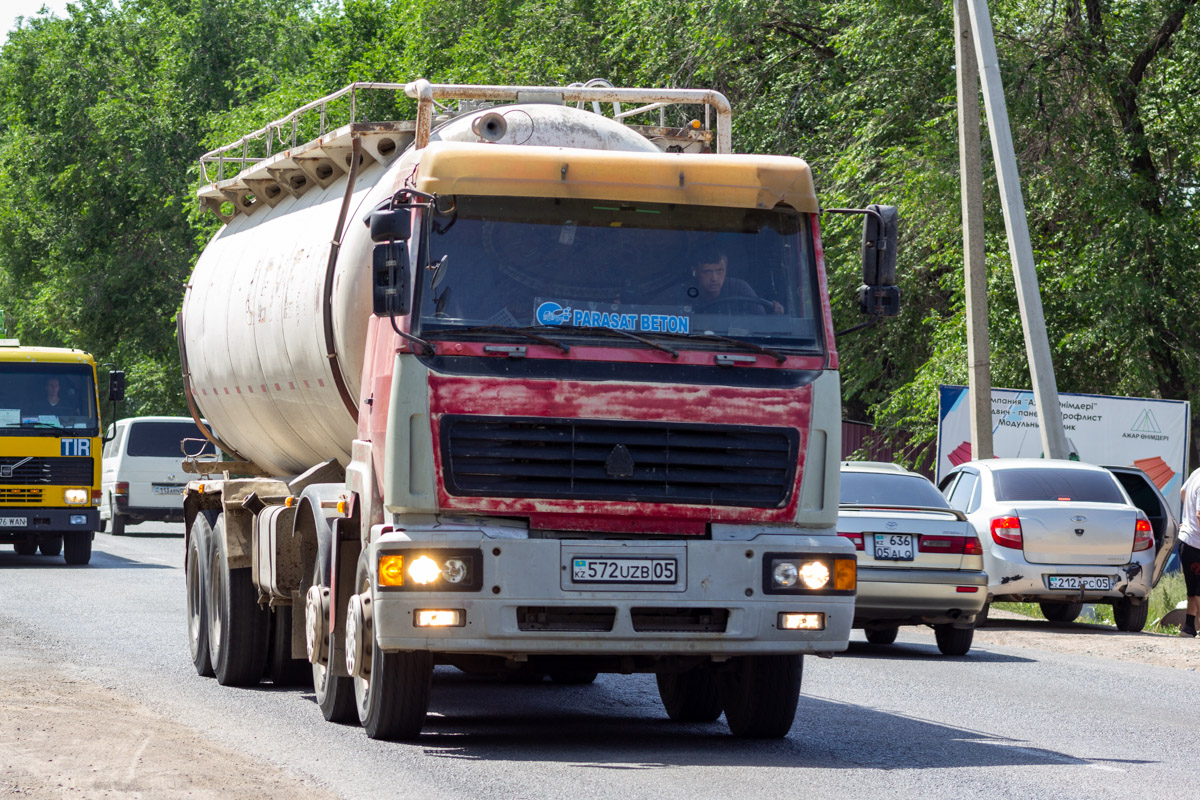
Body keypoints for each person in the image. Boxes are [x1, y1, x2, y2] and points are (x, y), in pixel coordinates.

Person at [690, 253, 784, 315]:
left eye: (719, 271)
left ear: (726, 269)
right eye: (708, 272)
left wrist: (776, 312)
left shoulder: (739, 288)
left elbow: (760, 321)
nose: (714, 278)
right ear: (695, 271)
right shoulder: (682, 294)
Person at [1177, 468, 1200, 637]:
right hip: (1196, 544)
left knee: (1194, 588)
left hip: (1188, 540)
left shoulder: (1197, 473)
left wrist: (1187, 520)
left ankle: (1189, 627)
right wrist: (1192, 519)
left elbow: (1183, 491)